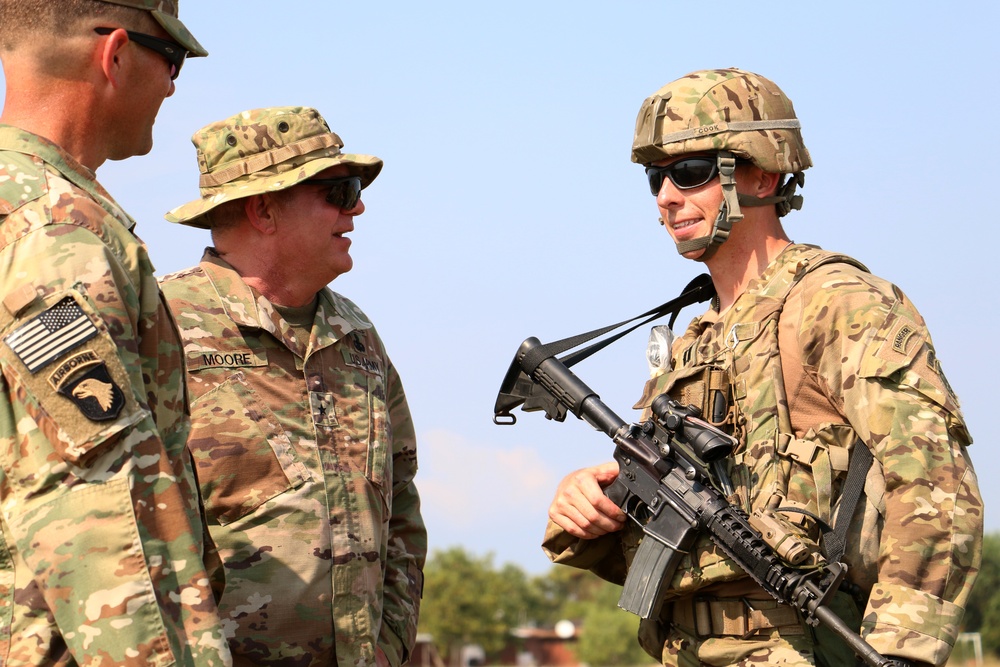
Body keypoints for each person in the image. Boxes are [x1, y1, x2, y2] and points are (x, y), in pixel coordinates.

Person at [543, 68, 982, 667]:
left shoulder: (836, 302)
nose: (667, 196)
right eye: (655, 177)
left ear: (764, 172)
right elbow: (683, 546)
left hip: (802, 646)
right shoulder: (694, 342)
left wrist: (900, 653)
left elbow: (937, 485)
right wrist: (589, 512)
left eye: (691, 171)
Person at [0, 1, 232, 665]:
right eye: (173, 59)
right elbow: (101, 500)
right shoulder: (54, 228)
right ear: (117, 55)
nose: (173, 85)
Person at [158, 106, 427, 667]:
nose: (357, 208)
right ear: (263, 210)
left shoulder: (357, 338)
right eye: (338, 191)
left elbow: (400, 508)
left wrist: (388, 650)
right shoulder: (161, 325)